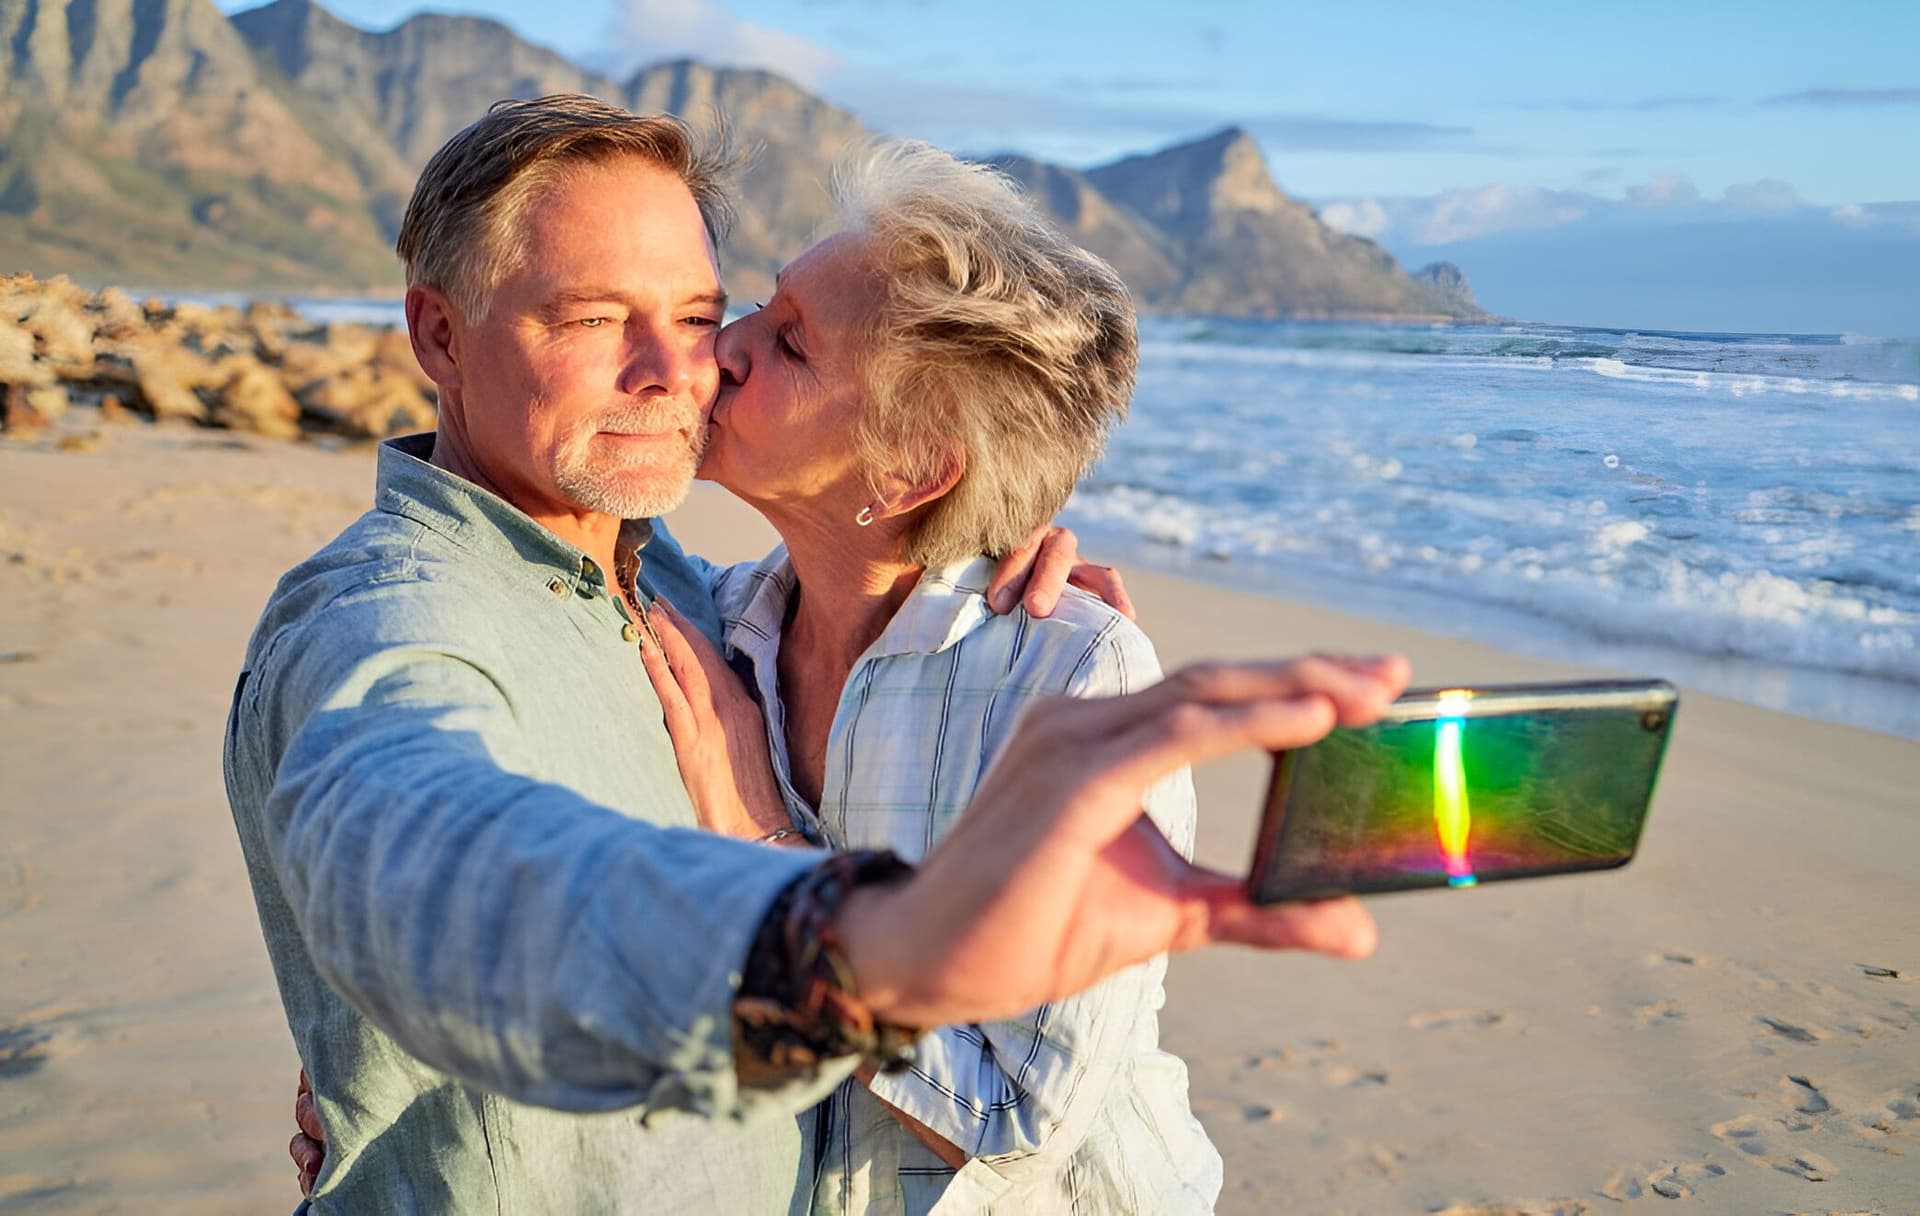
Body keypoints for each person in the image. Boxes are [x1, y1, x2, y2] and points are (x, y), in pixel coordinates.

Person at [229, 93, 1405, 1212]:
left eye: (710, 317)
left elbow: (1022, 1114)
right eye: (592, 318)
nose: (691, 366)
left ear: (909, 467)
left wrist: (981, 568)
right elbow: (420, 851)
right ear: (439, 335)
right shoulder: (392, 619)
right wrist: (851, 947)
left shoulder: (704, 596)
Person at [638, 140, 1220, 1213]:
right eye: (762, 306)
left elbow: (1014, 1126)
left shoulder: (1071, 680)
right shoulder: (716, 624)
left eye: (790, 344)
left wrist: (770, 850)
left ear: (907, 468)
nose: (724, 348)